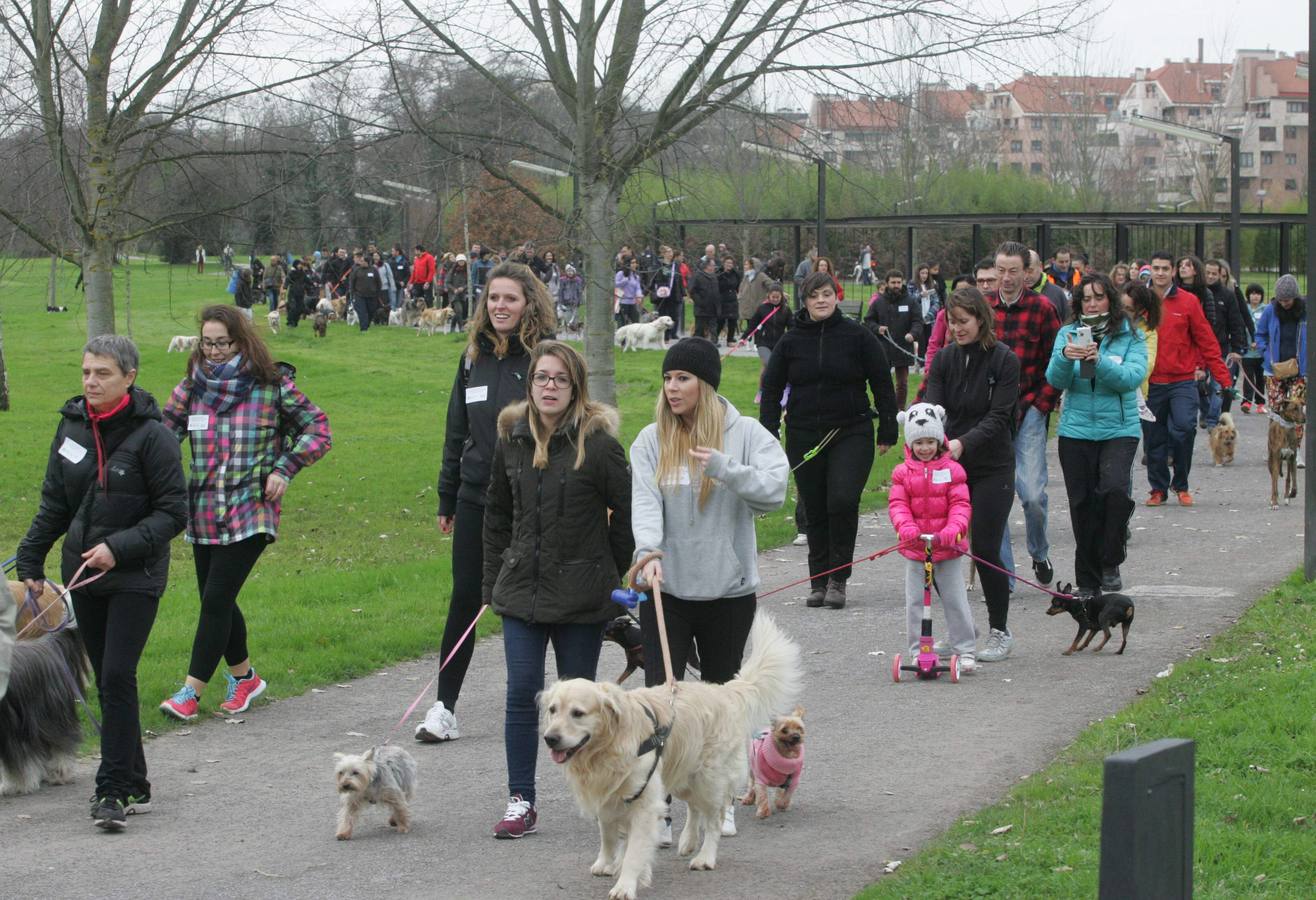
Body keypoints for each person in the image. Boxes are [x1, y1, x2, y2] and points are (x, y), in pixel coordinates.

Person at [16, 335, 187, 829]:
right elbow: (55, 501)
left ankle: (111, 791)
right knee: (110, 683)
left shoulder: (155, 437)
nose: (91, 381)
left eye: (103, 373)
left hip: (137, 575)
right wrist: (31, 555)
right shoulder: (70, 426)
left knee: (115, 676)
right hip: (82, 576)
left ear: (129, 378)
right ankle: (135, 778)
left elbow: (174, 513)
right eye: (86, 371)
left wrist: (120, 547)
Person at [631, 336, 789, 841]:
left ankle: (718, 801)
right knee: (661, 702)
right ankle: (657, 808)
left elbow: (774, 492)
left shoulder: (745, 434)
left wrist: (723, 467)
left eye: (683, 378)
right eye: (668, 378)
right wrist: (647, 554)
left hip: (727, 591)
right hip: (667, 590)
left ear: (706, 384)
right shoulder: (649, 441)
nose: (672, 388)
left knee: (722, 704)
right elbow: (645, 505)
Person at [483, 340, 633, 839]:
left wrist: (610, 573)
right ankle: (520, 799)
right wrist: (493, 581)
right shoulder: (512, 437)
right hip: (521, 591)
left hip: (582, 597)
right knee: (523, 694)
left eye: (560, 380)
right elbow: (497, 515)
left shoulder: (601, 445)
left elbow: (627, 516)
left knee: (578, 706)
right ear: (530, 384)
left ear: (576, 388)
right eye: (542, 378)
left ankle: (597, 795)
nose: (550, 387)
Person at [157, 304, 330, 720]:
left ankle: (189, 693)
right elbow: (162, 436)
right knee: (217, 600)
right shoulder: (191, 387)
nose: (214, 351)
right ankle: (245, 677)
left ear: (241, 340)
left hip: (251, 509)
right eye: (208, 342)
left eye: (223, 343)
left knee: (216, 599)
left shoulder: (270, 386)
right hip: (202, 510)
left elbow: (318, 429)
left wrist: (284, 468)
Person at [420, 262, 558, 743]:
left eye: (511, 299)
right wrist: (447, 492)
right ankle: (444, 707)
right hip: (477, 494)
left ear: (529, 305)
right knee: (467, 597)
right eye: (493, 298)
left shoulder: (545, 357)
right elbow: (456, 430)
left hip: (533, 495)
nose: (500, 306)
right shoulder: (471, 358)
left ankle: (558, 701)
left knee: (541, 599)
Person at [760, 271, 898, 609]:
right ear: (804, 301)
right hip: (804, 432)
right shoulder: (791, 341)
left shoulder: (857, 336)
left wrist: (889, 428)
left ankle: (839, 577)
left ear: (836, 297)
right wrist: (768, 431)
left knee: (841, 500)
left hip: (850, 430)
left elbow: (881, 381)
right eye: (813, 295)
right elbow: (772, 388)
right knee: (815, 507)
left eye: (826, 294)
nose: (821, 300)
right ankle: (817, 579)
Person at [922, 287, 1020, 662]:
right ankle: (962, 628)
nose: (957, 329)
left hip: (993, 465)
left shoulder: (1003, 361)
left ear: (981, 319)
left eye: (964, 322)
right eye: (952, 322)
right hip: (950, 466)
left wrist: (963, 443)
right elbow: (934, 408)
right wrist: (930, 440)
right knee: (941, 547)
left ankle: (1000, 629)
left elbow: (999, 417)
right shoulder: (945, 359)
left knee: (986, 547)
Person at [1046, 275, 1146, 595]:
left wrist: (1098, 361)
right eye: (1086, 299)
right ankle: (1087, 581)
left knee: (1114, 491)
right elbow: (1054, 379)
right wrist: (1066, 358)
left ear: (1111, 301)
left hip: (1118, 429)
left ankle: (1110, 558)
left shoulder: (1130, 336)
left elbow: (1131, 378)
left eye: (1099, 297)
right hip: (1076, 431)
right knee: (1082, 504)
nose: (1092, 304)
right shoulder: (1067, 334)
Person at [989, 242, 1061, 600]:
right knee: (995, 497)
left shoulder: (1043, 308)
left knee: (1032, 494)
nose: (1005, 278)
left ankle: (1039, 550)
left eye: (1013, 271)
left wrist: (1042, 405)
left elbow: (1057, 362)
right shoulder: (983, 309)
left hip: (1030, 407)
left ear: (1027, 272)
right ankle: (1004, 576)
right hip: (991, 415)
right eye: (1000, 270)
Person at [887, 404, 976, 672]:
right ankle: (918, 651)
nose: (924, 448)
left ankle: (966, 649)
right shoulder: (902, 473)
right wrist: (906, 528)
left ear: (939, 441)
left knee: (955, 600)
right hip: (916, 548)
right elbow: (897, 506)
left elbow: (961, 505)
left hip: (946, 548)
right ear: (910, 443)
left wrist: (953, 531)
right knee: (915, 602)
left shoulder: (953, 470)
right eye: (919, 442)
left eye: (929, 442)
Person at [1142, 251, 1232, 506]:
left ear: (1173, 271)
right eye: (1156, 268)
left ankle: (1180, 483)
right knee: (1153, 437)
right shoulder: (1141, 301)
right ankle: (1157, 488)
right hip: (1150, 381)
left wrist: (1224, 379)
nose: (1160, 273)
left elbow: (1207, 340)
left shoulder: (1189, 302)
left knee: (1184, 429)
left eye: (1164, 268)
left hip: (1182, 379)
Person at [1255, 274, 1307, 459]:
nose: (1284, 303)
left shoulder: (1305, 311)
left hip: (1300, 369)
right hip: (1274, 369)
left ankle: (1295, 449)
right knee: (1276, 410)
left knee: (1297, 410)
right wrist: (1267, 356)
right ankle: (1274, 447)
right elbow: (1260, 335)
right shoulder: (1271, 310)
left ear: (1295, 297)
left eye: (1287, 300)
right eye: (1281, 300)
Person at [864, 269, 923, 410]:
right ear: (887, 283)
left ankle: (899, 409)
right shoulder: (879, 302)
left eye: (898, 282)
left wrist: (913, 334)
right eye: (893, 282)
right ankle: (882, 407)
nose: (896, 285)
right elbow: (868, 320)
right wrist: (877, 329)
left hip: (903, 347)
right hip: (883, 347)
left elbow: (917, 321)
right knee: (882, 381)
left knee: (902, 383)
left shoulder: (911, 301)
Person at [746, 280, 790, 403]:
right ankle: (763, 391)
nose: (775, 299)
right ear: (768, 296)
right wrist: (744, 337)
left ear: (781, 297)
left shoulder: (785, 310)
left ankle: (781, 391)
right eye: (773, 297)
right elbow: (752, 325)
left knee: (768, 367)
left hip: (779, 344)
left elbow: (792, 327)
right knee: (770, 363)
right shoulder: (762, 309)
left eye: (778, 297)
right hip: (763, 343)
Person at [1240, 283, 1267, 412]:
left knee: (1260, 378)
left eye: (1258, 294)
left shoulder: (1266, 310)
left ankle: (1261, 403)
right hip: (1247, 352)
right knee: (1248, 378)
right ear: (1248, 295)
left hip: (1261, 352)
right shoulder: (1244, 310)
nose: (1255, 296)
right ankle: (1247, 402)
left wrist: (1261, 342)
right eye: (1252, 293)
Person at [651, 245, 686, 342]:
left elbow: (679, 280)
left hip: (674, 295)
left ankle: (669, 334)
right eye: (668, 252)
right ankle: (664, 337)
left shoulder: (676, 265)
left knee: (673, 315)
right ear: (663, 254)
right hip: (662, 295)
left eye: (671, 252)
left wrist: (683, 293)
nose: (671, 254)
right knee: (663, 316)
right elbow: (653, 279)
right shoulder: (658, 265)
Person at [689, 256, 721, 341]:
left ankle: (713, 343)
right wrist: (700, 302)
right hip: (701, 309)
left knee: (713, 327)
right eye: (713, 265)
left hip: (713, 308)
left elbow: (716, 292)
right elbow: (692, 291)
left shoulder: (714, 277)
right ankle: (697, 344)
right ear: (707, 266)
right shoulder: (698, 276)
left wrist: (718, 305)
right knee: (699, 329)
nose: (714, 267)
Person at [347, 250, 381, 331]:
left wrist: (377, 293)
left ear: (367, 262)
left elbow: (378, 282)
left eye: (362, 261)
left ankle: (367, 325)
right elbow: (352, 282)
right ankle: (363, 329)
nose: (360, 262)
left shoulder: (373, 270)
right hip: (359, 295)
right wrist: (352, 292)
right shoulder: (356, 270)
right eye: (360, 261)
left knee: (371, 312)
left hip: (372, 296)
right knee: (362, 312)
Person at [717, 255, 742, 345]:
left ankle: (730, 340)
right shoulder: (719, 273)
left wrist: (739, 294)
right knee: (720, 320)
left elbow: (738, 286)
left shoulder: (736, 274)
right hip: (722, 299)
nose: (729, 265)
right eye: (727, 263)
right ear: (723, 264)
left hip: (733, 299)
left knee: (733, 320)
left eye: (731, 263)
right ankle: (714, 337)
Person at [614, 255, 644, 325]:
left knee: (636, 322)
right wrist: (625, 280)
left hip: (632, 302)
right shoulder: (620, 274)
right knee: (622, 322)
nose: (634, 265)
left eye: (635, 263)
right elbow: (616, 285)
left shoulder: (636, 276)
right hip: (622, 302)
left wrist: (639, 295)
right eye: (632, 263)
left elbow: (638, 288)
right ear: (627, 264)